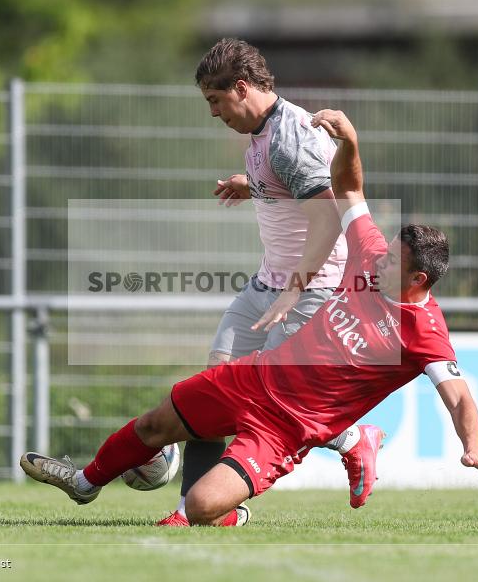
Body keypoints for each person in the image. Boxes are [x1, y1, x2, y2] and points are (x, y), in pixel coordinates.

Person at [21, 109, 478, 527]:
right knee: (153, 426)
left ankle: (224, 507)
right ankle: (86, 482)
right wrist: (351, 140)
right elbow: (350, 188)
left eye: (392, 263)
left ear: (418, 279)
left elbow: (460, 395)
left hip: (286, 430)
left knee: (201, 506)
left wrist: (473, 447)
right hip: (251, 381)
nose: (380, 260)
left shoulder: (424, 333)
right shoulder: (371, 254)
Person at [155, 38, 374, 526]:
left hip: (314, 283)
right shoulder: (262, 131)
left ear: (241, 87)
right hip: (268, 280)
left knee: (268, 398)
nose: (213, 113)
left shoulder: (289, 136)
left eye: (215, 101)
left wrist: (294, 289)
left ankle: (352, 438)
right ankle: (200, 512)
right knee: (214, 383)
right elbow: (290, 186)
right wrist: (249, 184)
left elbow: (327, 219)